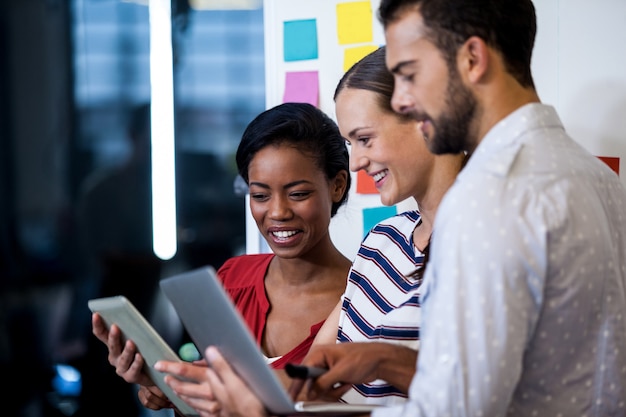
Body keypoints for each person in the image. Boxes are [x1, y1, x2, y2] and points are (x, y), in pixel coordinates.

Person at [184, 0, 626, 416]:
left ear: (472, 59)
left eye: (410, 74)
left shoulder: (489, 198)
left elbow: (454, 408)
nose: (404, 100)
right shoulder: (600, 181)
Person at [154, 46, 466, 414]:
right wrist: (185, 383)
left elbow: (485, 393)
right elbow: (309, 377)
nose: (356, 162)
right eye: (351, 144)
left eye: (364, 139)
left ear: (424, 122)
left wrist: (383, 361)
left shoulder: (485, 242)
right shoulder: (383, 241)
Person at [91, 102, 352, 414]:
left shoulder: (367, 301)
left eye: (297, 194)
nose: (278, 212)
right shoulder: (231, 280)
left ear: (337, 185)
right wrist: (165, 386)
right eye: (259, 195)